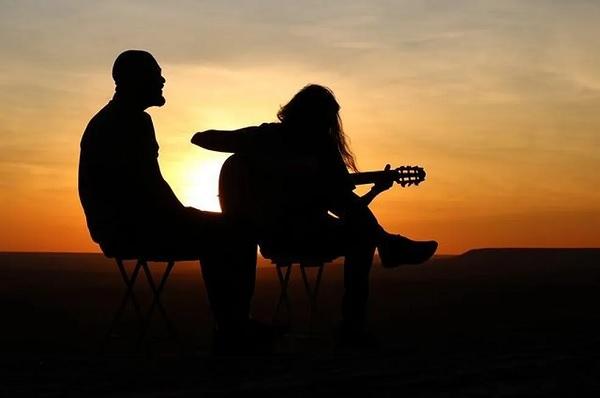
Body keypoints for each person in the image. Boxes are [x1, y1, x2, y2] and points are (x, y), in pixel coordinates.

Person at [192, 84, 438, 347]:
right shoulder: (269, 137)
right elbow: (201, 138)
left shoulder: (324, 150)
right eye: (323, 119)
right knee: (360, 231)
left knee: (360, 233)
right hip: (275, 233)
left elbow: (343, 206)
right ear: (305, 116)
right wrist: (277, 166)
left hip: (315, 231)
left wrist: (376, 190)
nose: (328, 126)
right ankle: (387, 248)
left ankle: (355, 321)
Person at [78, 50, 273, 351]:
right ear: (135, 80)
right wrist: (184, 217)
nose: (162, 79)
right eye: (156, 74)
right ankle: (234, 328)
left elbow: (144, 189)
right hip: (134, 230)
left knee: (229, 229)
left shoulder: (115, 120)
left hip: (123, 227)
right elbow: (147, 187)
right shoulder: (129, 122)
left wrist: (184, 215)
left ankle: (234, 325)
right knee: (238, 231)